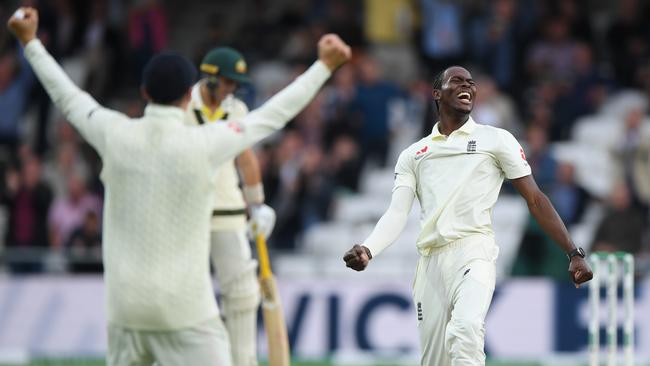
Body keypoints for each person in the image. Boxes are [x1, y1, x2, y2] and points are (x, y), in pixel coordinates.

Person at [8, 7, 351, 366]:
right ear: (189, 96)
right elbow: (273, 114)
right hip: (186, 315)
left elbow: (66, 95)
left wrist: (30, 42)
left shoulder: (113, 133)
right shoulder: (205, 143)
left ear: (143, 92)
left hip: (125, 313)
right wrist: (323, 66)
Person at [343, 66, 593, 365]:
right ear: (437, 94)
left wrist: (572, 252)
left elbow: (536, 199)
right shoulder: (414, 154)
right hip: (431, 262)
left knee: (466, 329)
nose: (467, 86)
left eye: (471, 83)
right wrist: (370, 249)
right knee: (435, 360)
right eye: (457, 81)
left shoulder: (496, 139)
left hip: (474, 250)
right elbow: (397, 213)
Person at [187, 46, 275, 366]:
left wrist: (258, 204)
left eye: (236, 84)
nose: (232, 90)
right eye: (228, 82)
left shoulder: (236, 109)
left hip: (228, 211)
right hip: (186, 215)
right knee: (184, 296)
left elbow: (245, 157)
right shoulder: (182, 105)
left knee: (242, 294)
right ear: (209, 78)